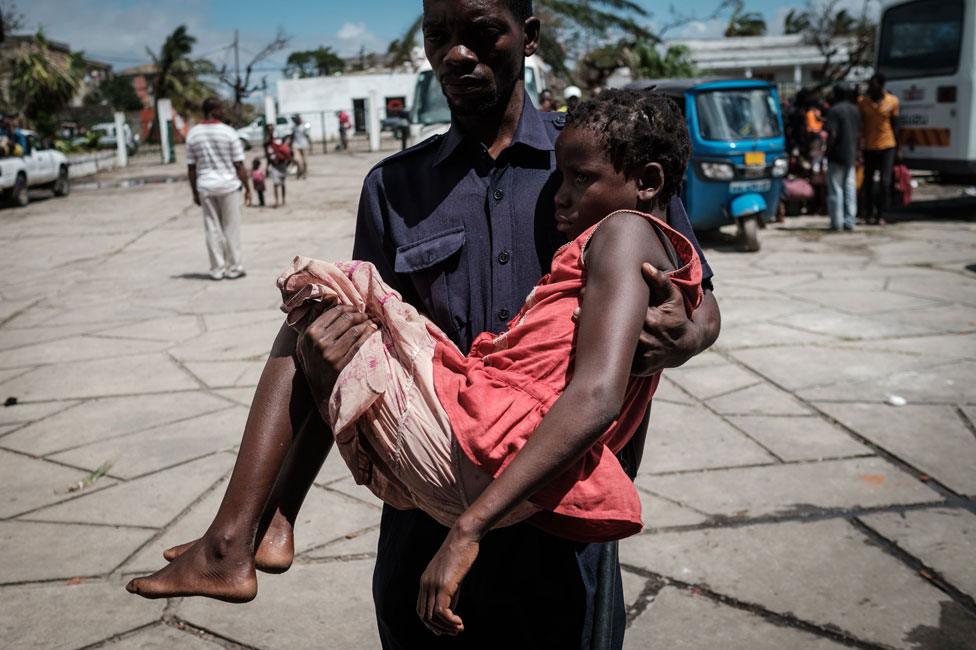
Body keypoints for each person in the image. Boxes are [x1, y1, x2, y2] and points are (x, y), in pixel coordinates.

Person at [124, 1, 721, 647]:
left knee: (317, 297)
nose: (456, 54)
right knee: (324, 319)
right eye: (439, 37)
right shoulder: (395, 185)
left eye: (482, 32)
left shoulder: (602, 158)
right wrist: (329, 360)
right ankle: (262, 527)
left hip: (559, 508)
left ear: (530, 36)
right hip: (428, 516)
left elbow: (694, 294)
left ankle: (245, 533)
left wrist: (691, 336)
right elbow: (366, 350)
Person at [185, 97, 251, 281]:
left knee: (212, 229)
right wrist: (247, 187)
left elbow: (191, 167)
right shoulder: (229, 133)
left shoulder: (193, 134)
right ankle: (234, 268)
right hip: (229, 186)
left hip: (206, 186)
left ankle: (217, 269)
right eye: (221, 109)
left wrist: (194, 192)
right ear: (213, 110)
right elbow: (239, 164)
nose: (224, 112)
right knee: (231, 228)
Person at [858, 73, 900, 225]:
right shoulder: (863, 102)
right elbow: (860, 125)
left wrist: (898, 149)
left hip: (887, 145)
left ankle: (881, 214)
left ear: (881, 86)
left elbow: (896, 125)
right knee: (867, 182)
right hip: (869, 146)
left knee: (885, 182)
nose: (870, 87)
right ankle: (868, 213)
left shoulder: (892, 101)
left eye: (873, 85)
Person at [824, 84, 861, 231]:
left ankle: (837, 223)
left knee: (836, 189)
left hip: (836, 155)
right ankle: (850, 221)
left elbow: (832, 134)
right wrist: (858, 153)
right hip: (851, 154)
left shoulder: (834, 111)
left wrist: (828, 149)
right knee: (850, 188)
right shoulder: (855, 110)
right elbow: (859, 135)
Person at [264, 124, 290, 208]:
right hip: (274, 165)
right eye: (269, 130)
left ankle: (283, 200)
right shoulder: (267, 143)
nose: (270, 131)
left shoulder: (277, 139)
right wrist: (267, 167)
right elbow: (268, 156)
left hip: (281, 164)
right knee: (275, 184)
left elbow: (284, 151)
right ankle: (277, 201)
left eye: (271, 129)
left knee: (282, 183)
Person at [290, 115, 309, 179]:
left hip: (304, 145)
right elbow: (292, 136)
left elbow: (307, 136)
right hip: (296, 145)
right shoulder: (293, 127)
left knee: (305, 161)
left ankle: (303, 173)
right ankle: (299, 172)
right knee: (298, 160)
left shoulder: (303, 126)